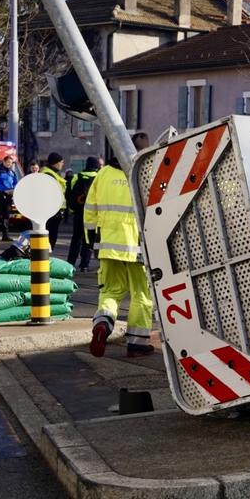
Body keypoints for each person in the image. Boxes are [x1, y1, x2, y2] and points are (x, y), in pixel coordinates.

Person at [86, 153, 153, 357]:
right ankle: (137, 344)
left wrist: (92, 243)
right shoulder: (144, 174)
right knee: (141, 294)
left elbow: (89, 211)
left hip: (107, 245)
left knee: (110, 292)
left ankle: (103, 325)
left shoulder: (103, 174)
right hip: (138, 247)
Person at [65, 156, 100, 272]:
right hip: (92, 214)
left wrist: (71, 208)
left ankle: (70, 263)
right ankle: (84, 265)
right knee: (88, 239)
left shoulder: (76, 176)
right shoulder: (99, 178)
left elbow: (68, 193)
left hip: (78, 212)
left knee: (76, 238)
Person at [0, 153, 18, 241]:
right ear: (3, 162)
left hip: (9, 196)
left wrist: (13, 190)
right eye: (8, 162)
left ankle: (5, 236)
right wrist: (5, 190)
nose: (9, 164)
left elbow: (15, 183)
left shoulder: (12, 173)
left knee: (6, 217)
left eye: (11, 163)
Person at [40, 152, 67, 249]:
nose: (62, 164)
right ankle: (45, 259)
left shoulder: (52, 173)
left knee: (50, 236)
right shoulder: (48, 174)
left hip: (54, 210)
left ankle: (45, 258)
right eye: (61, 162)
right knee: (50, 237)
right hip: (51, 211)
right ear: (55, 163)